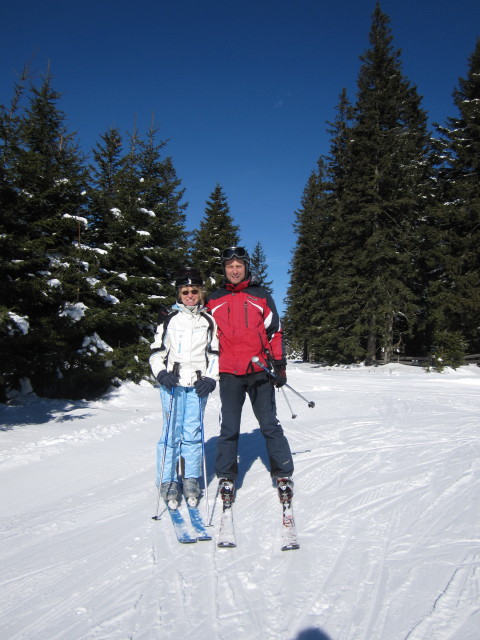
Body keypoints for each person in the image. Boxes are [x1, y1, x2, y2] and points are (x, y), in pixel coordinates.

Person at [206, 246, 294, 504]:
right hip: (229, 373)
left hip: (259, 372)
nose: (235, 270)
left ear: (246, 268)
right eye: (230, 266)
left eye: (239, 266)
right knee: (229, 428)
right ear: (224, 270)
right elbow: (198, 327)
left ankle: (283, 473)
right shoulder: (214, 299)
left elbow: (275, 332)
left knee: (269, 425)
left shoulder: (261, 296)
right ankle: (226, 475)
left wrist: (280, 366)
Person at [149, 267, 219, 508]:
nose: (190, 295)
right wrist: (161, 374)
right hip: (173, 385)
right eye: (185, 291)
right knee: (171, 433)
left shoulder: (208, 321)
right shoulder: (170, 319)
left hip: (197, 385)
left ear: (200, 293)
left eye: (194, 291)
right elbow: (156, 353)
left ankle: (190, 478)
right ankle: (167, 480)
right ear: (179, 294)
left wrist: (211, 378)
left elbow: (215, 353)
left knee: (193, 434)